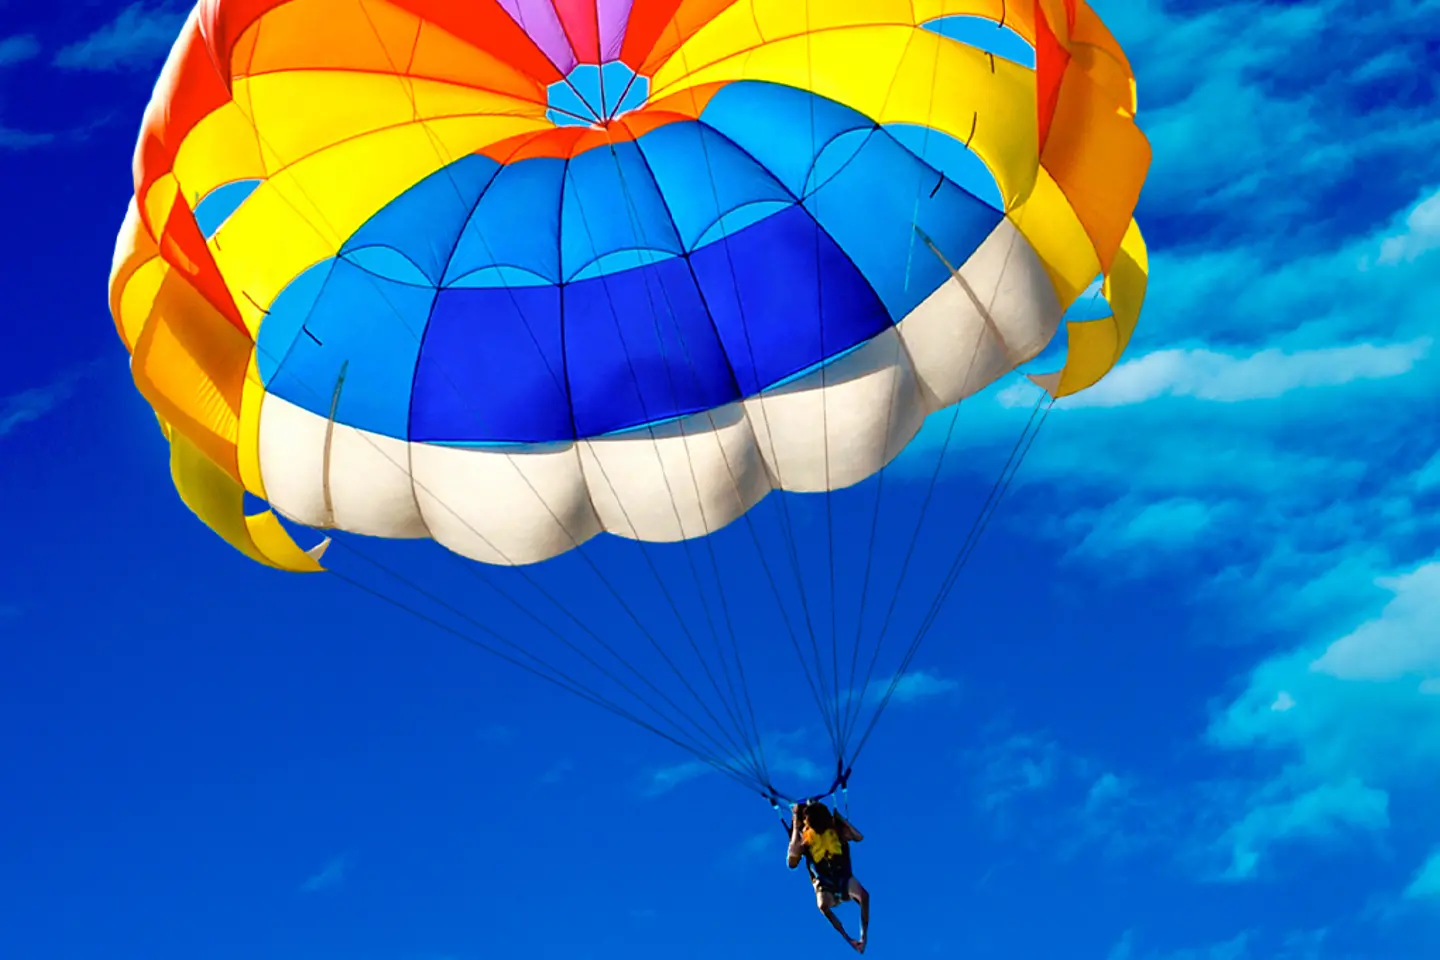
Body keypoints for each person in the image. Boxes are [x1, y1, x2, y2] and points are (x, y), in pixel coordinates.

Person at [787, 801, 870, 952]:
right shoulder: (804, 837)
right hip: (824, 883)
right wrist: (795, 822)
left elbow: (858, 837)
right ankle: (849, 938)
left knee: (864, 896)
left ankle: (863, 937)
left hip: (842, 876)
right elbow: (792, 862)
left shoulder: (836, 828)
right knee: (823, 905)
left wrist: (841, 819)